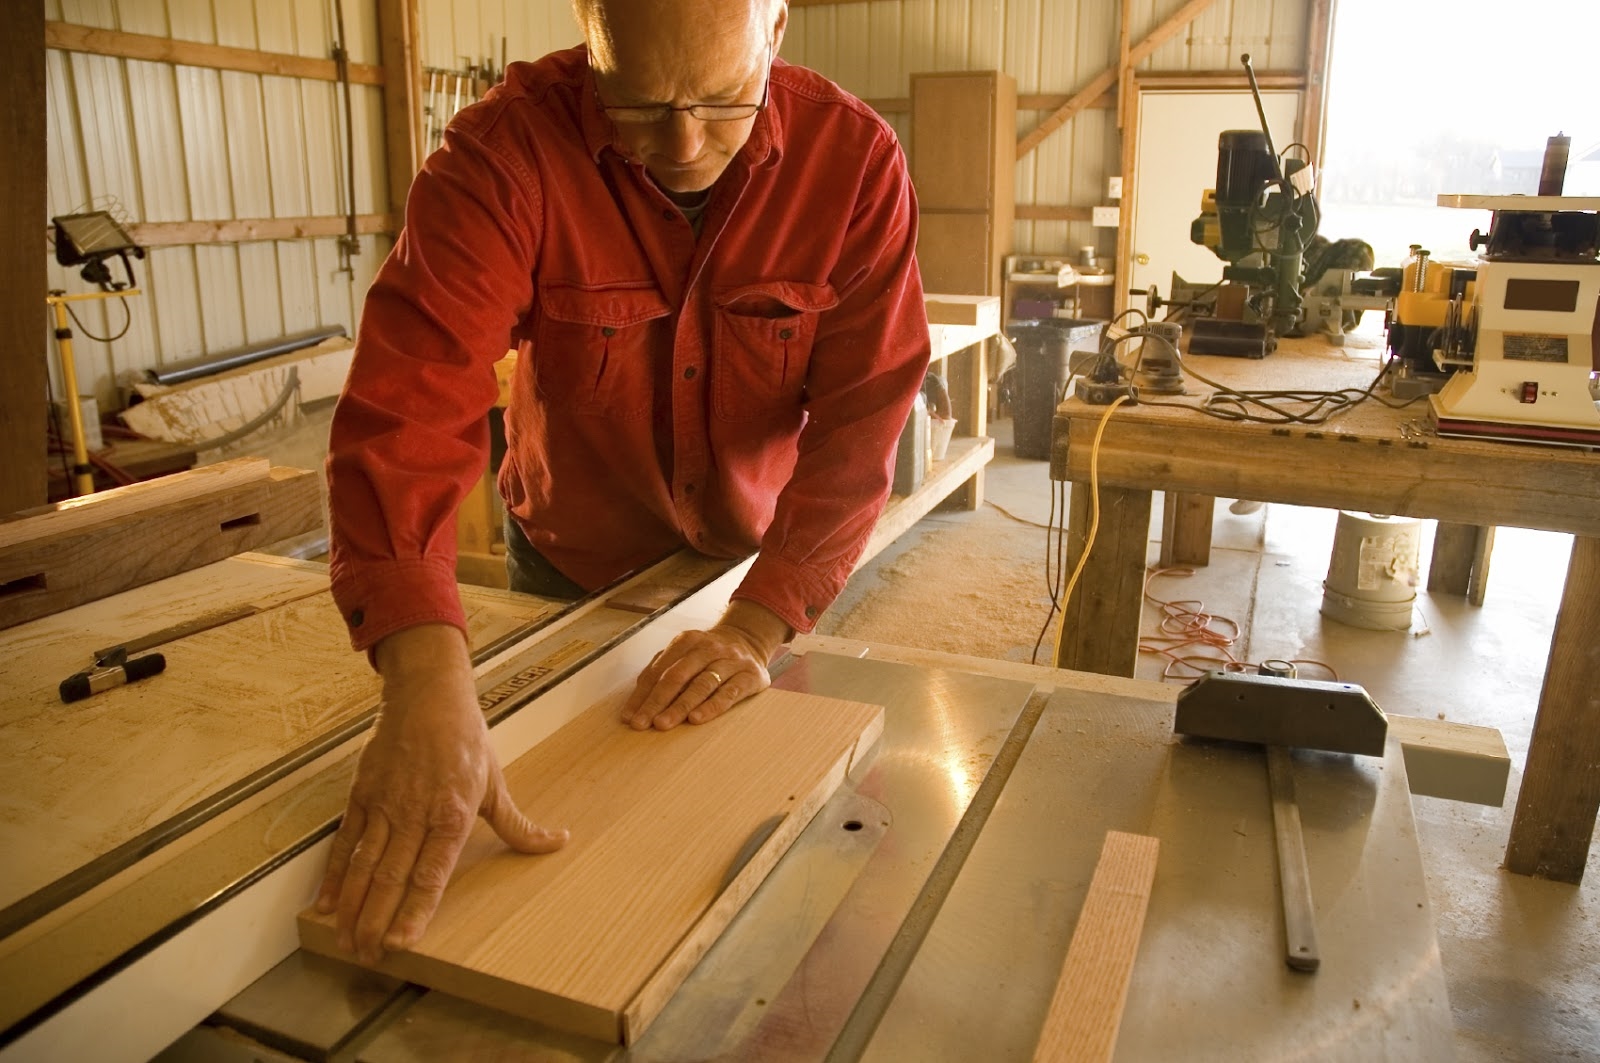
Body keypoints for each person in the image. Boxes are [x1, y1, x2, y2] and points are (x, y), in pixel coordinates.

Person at [314, 0, 930, 963]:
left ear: (775, 36)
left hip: (754, 565)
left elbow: (863, 421)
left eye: (725, 102)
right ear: (588, 34)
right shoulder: (504, 154)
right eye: (638, 106)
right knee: (560, 852)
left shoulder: (852, 163)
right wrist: (426, 678)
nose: (683, 143)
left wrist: (758, 624)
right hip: (572, 552)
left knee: (747, 839)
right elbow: (409, 404)